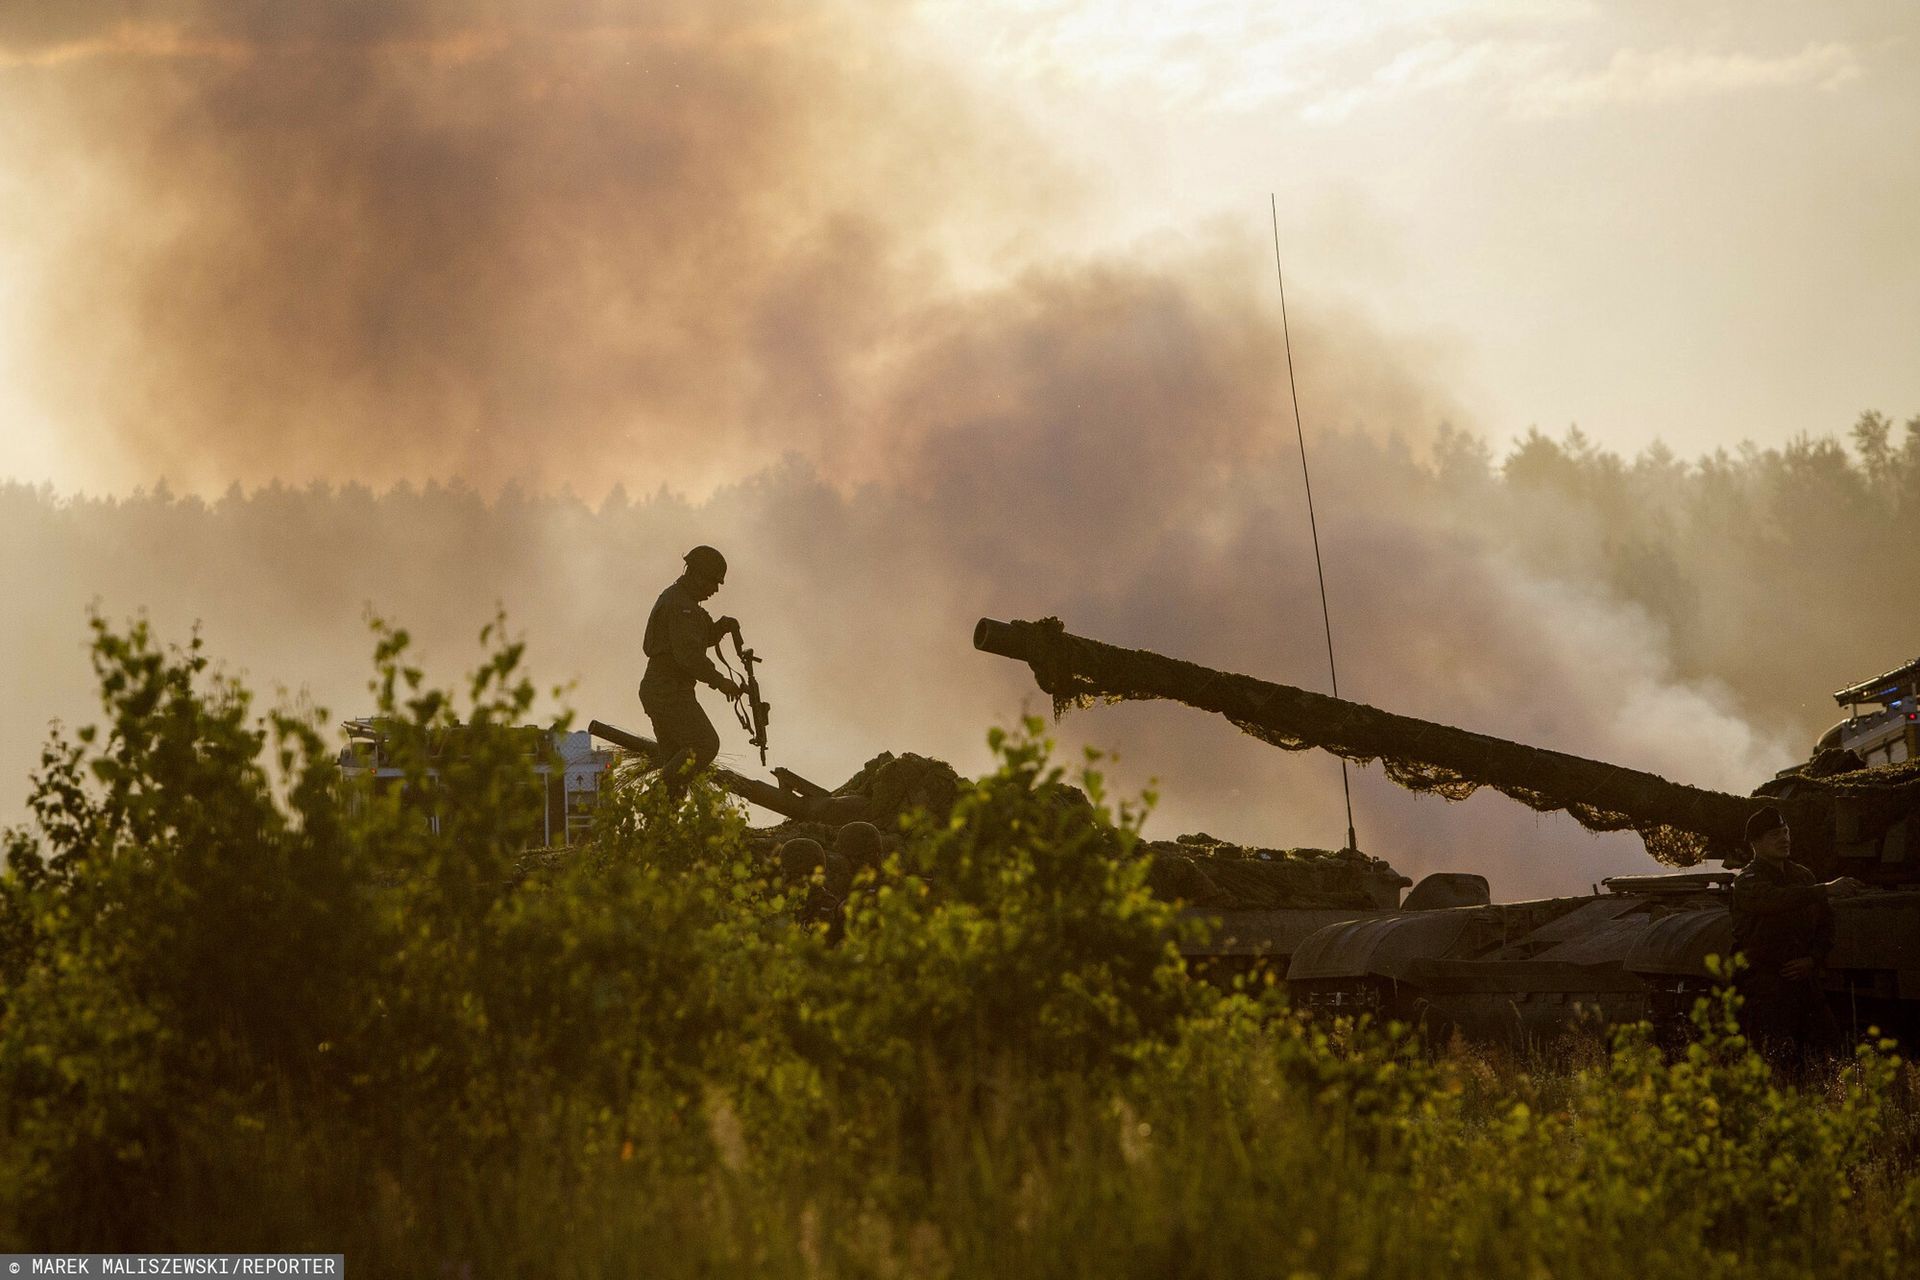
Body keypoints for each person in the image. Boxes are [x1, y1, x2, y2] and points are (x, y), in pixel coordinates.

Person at [1728, 805, 1866, 1064]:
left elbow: (1825, 925)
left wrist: (1813, 959)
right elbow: (1772, 899)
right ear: (1755, 843)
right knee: (1773, 1058)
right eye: (1774, 835)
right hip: (1766, 983)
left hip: (1804, 979)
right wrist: (1823, 889)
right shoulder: (1747, 880)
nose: (1784, 839)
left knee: (1829, 1052)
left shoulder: (1802, 876)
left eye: (1786, 832)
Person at [640, 545, 743, 791]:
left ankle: (662, 820)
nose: (715, 589)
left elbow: (701, 636)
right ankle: (656, 796)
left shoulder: (683, 602)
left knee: (676, 762)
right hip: (668, 690)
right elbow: (689, 656)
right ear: (697, 576)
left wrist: (723, 627)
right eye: (713, 582)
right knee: (705, 744)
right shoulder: (682, 606)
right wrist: (721, 682)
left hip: (663, 689)